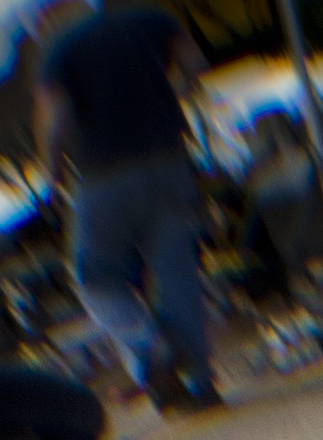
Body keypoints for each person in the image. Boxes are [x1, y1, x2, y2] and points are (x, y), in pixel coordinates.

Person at [42, 3, 223, 413]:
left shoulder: (62, 48)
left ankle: (151, 349)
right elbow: (196, 66)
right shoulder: (154, 18)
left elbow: (55, 120)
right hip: (169, 160)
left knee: (96, 279)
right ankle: (201, 384)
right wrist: (171, 96)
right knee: (177, 273)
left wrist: (53, 177)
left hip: (104, 175)